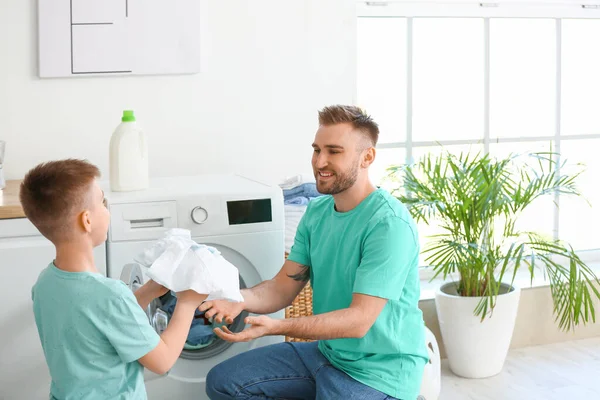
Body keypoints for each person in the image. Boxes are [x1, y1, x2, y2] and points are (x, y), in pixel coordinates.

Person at [203, 105, 429, 400]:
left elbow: (358, 321)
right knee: (224, 382)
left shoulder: (389, 225)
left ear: (367, 157)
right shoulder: (317, 212)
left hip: (380, 373)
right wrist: (237, 299)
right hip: (328, 354)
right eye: (317, 150)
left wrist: (276, 326)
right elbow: (281, 288)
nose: (320, 161)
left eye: (334, 151)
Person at [22, 159, 206, 399]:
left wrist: (147, 292)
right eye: (102, 202)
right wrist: (188, 302)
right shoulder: (111, 295)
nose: (107, 210)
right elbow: (162, 361)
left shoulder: (45, 283)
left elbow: (96, 322)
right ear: (87, 220)